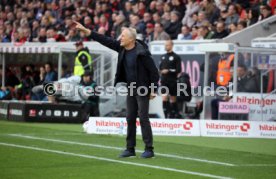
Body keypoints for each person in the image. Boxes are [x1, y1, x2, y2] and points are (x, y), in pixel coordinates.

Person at [74, 21, 159, 158]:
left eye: (123, 36)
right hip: (131, 88)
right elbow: (105, 40)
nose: (121, 38)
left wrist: (154, 89)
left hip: (143, 89)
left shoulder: (142, 53)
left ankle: (149, 149)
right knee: (130, 118)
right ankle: (130, 149)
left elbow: (154, 72)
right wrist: (86, 31)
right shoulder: (122, 48)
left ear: (131, 39)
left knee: (143, 118)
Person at [159, 40, 181, 118]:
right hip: (164, 81)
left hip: (172, 81)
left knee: (173, 99)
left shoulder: (176, 57)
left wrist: (168, 71)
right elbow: (160, 68)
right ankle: (165, 116)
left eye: (167, 45)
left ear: (171, 45)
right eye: (165, 45)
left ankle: (174, 114)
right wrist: (161, 71)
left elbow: (178, 70)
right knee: (164, 98)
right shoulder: (162, 56)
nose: (166, 47)